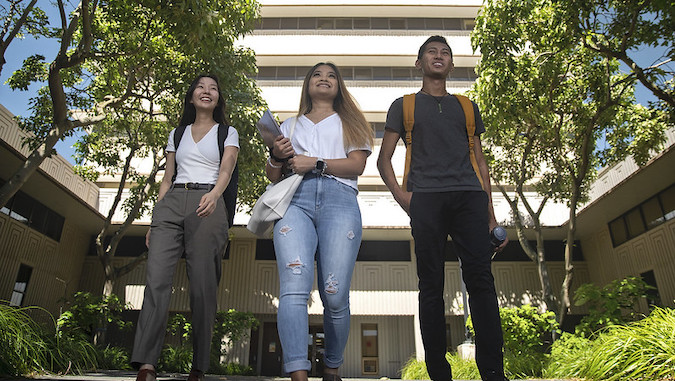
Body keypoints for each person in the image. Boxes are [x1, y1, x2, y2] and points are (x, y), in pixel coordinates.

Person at [377, 36, 509, 381]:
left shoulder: (466, 106)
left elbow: (480, 161)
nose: (439, 56)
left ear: (451, 65)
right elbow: (383, 159)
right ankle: (439, 374)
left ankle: (494, 373)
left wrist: (491, 216)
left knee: (481, 282)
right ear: (419, 64)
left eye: (445, 53)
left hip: (469, 199)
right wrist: (403, 198)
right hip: (426, 200)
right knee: (431, 285)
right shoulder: (402, 105)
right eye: (431, 52)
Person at [266, 62, 373, 381]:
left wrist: (316, 162)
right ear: (307, 84)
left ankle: (332, 365)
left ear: (339, 86)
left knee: (335, 293)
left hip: (339, 200)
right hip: (294, 201)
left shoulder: (352, 122)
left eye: (331, 76)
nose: (324, 79)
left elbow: (356, 166)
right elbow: (273, 176)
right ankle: (297, 372)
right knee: (294, 288)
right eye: (317, 75)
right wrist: (275, 155)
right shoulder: (289, 125)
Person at [131, 74, 239, 381]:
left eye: (214, 88)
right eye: (201, 87)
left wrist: (215, 196)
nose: (207, 92)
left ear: (218, 98)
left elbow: (227, 167)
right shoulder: (176, 134)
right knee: (156, 280)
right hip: (172, 201)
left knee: (203, 285)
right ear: (191, 96)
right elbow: (167, 177)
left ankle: (199, 365)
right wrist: (155, 219)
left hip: (208, 201)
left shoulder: (227, 132)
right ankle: (147, 364)